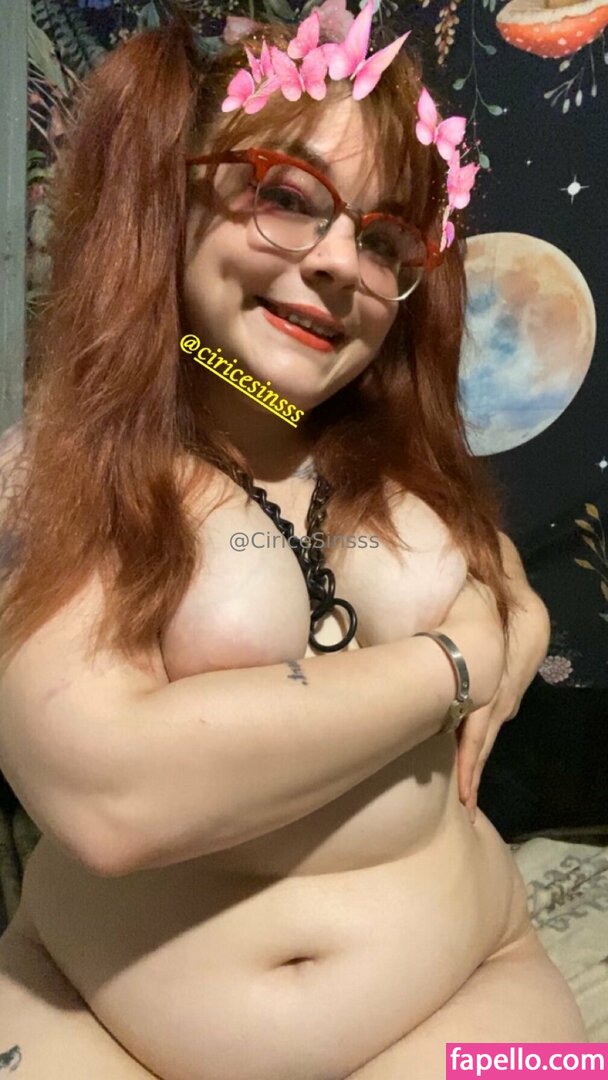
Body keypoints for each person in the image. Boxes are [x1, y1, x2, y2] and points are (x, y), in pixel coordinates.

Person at [0, 4, 586, 1078]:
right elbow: (111, 797)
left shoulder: (401, 463)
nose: (338, 264)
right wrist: (452, 663)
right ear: (172, 200)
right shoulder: (47, 475)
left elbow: (492, 567)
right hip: (93, 1018)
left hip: (474, 983)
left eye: (383, 240)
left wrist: (512, 600)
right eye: (286, 197)